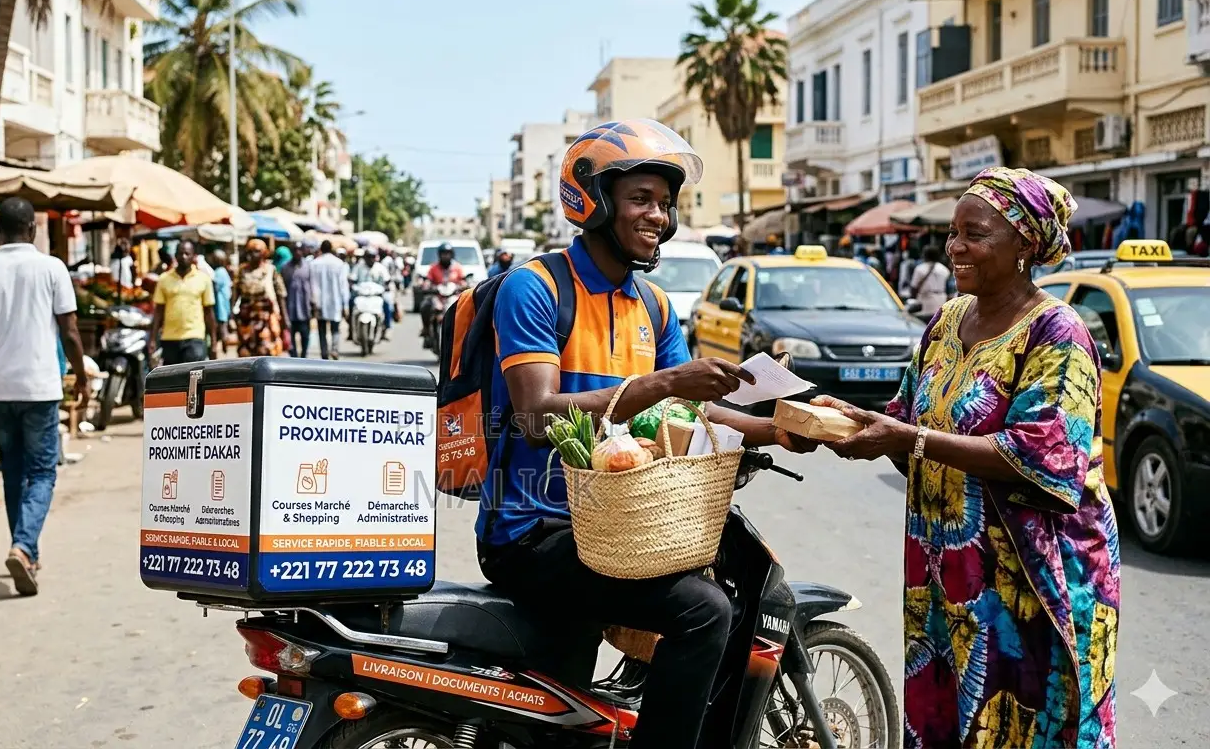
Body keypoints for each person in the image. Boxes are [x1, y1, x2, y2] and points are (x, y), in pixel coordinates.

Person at [476, 119, 817, 749]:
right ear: (594, 201)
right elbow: (534, 414)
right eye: (641, 199)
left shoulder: (654, 306)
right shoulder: (537, 287)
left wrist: (776, 427)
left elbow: (688, 417)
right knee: (703, 609)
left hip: (619, 531)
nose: (658, 216)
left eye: (665, 203)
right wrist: (663, 385)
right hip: (532, 534)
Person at [815, 167, 1119, 748]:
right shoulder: (949, 319)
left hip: (1031, 586)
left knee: (1024, 725)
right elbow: (907, 414)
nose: (955, 246)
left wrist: (909, 440)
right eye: (953, 232)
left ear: (1025, 245)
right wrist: (847, 421)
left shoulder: (1057, 332)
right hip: (944, 577)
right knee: (948, 722)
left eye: (973, 234)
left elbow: (1045, 456)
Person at [0, 197, 88, 597]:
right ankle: (23, 546)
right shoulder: (52, 269)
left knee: (14, 473)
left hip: (0, 388)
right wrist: (82, 375)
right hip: (40, 387)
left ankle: (26, 551)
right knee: (42, 472)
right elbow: (69, 331)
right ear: (33, 229)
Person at [150, 240, 215, 366]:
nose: (183, 257)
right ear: (175, 256)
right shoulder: (164, 279)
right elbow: (158, 311)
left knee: (193, 377)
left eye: (187, 254)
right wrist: (152, 339)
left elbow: (209, 312)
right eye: (180, 254)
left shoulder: (203, 279)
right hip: (170, 338)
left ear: (193, 256)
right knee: (173, 381)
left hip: (195, 337)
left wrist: (213, 342)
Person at [234, 239, 285, 357]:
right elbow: (236, 292)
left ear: (264, 253)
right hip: (246, 316)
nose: (252, 255)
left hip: (265, 316)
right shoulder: (242, 270)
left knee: (265, 350)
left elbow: (280, 293)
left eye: (256, 251)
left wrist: (283, 318)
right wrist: (232, 314)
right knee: (245, 352)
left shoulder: (270, 270)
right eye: (250, 251)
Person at [309, 239, 349, 360]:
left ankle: (324, 353)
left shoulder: (314, 264)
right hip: (335, 302)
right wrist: (345, 304)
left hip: (319, 302)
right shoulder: (339, 264)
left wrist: (313, 302)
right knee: (335, 328)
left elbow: (312, 285)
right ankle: (335, 349)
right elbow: (343, 286)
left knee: (321, 329)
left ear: (321, 249)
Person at [419, 242, 465, 341]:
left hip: (453, 296)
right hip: (437, 296)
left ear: (451, 254)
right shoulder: (433, 267)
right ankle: (426, 329)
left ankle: (463, 332)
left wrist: (463, 285)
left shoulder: (457, 267)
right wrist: (426, 285)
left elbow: (463, 280)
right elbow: (428, 280)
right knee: (424, 306)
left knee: (466, 308)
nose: (445, 256)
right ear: (439, 255)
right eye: (443, 253)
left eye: (448, 253)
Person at [350, 249, 395, 340]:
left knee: (387, 305)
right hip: (361, 295)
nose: (370, 259)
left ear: (375, 258)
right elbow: (352, 279)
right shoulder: (358, 267)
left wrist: (386, 287)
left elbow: (387, 280)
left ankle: (386, 328)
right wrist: (352, 286)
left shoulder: (380, 267)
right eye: (368, 257)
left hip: (376, 295)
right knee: (350, 303)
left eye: (372, 257)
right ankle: (350, 328)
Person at [281, 241, 314, 357]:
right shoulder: (285, 268)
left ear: (303, 251)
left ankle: (304, 356)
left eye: (300, 250)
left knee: (305, 337)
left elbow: (312, 286)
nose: (297, 252)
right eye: (295, 250)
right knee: (291, 339)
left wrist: (313, 304)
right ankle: (294, 358)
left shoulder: (309, 266)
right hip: (290, 310)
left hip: (304, 310)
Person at [904, 245, 952, 320]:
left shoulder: (920, 269)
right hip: (941, 302)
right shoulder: (944, 269)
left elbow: (914, 287)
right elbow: (948, 289)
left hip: (924, 303)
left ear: (925, 255)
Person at [208, 249, 233, 358]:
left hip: (220, 305)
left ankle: (224, 344)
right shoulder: (223, 271)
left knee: (222, 327)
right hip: (224, 304)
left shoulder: (219, 271)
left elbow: (215, 286)